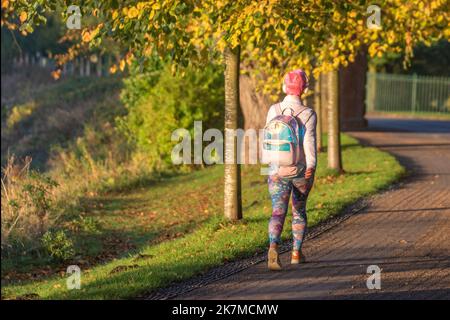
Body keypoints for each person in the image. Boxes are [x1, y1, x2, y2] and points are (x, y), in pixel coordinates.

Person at [265, 69, 317, 271]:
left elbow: (268, 139)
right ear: (304, 89)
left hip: (277, 170)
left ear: (285, 86)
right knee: (299, 211)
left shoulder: (273, 109)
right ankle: (296, 253)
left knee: (277, 211)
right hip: (300, 171)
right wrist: (311, 166)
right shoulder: (308, 114)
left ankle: (273, 247)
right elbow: (309, 143)